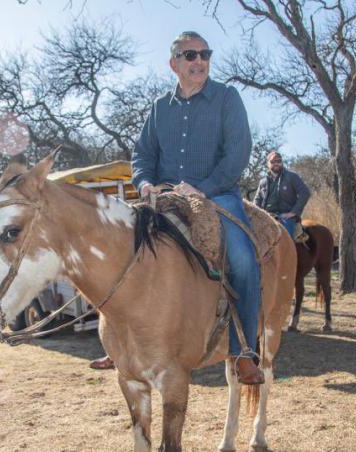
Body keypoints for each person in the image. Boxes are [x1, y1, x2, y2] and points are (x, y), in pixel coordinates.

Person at [90, 31, 264, 385]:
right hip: (164, 199)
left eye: (204, 54)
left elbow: (238, 153)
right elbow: (142, 156)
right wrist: (145, 184)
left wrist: (203, 188)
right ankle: (120, 345)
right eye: (190, 55)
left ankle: (243, 352)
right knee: (121, 251)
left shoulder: (227, 98)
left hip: (218, 196)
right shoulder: (159, 108)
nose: (199, 60)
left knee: (244, 261)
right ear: (174, 64)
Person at [253, 151, 311, 238]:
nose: (276, 163)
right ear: (267, 164)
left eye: (279, 161)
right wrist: (256, 214)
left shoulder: (292, 177)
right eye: (273, 161)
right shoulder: (263, 182)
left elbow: (305, 193)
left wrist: (293, 212)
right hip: (267, 216)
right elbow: (257, 200)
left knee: (285, 239)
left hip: (285, 217)